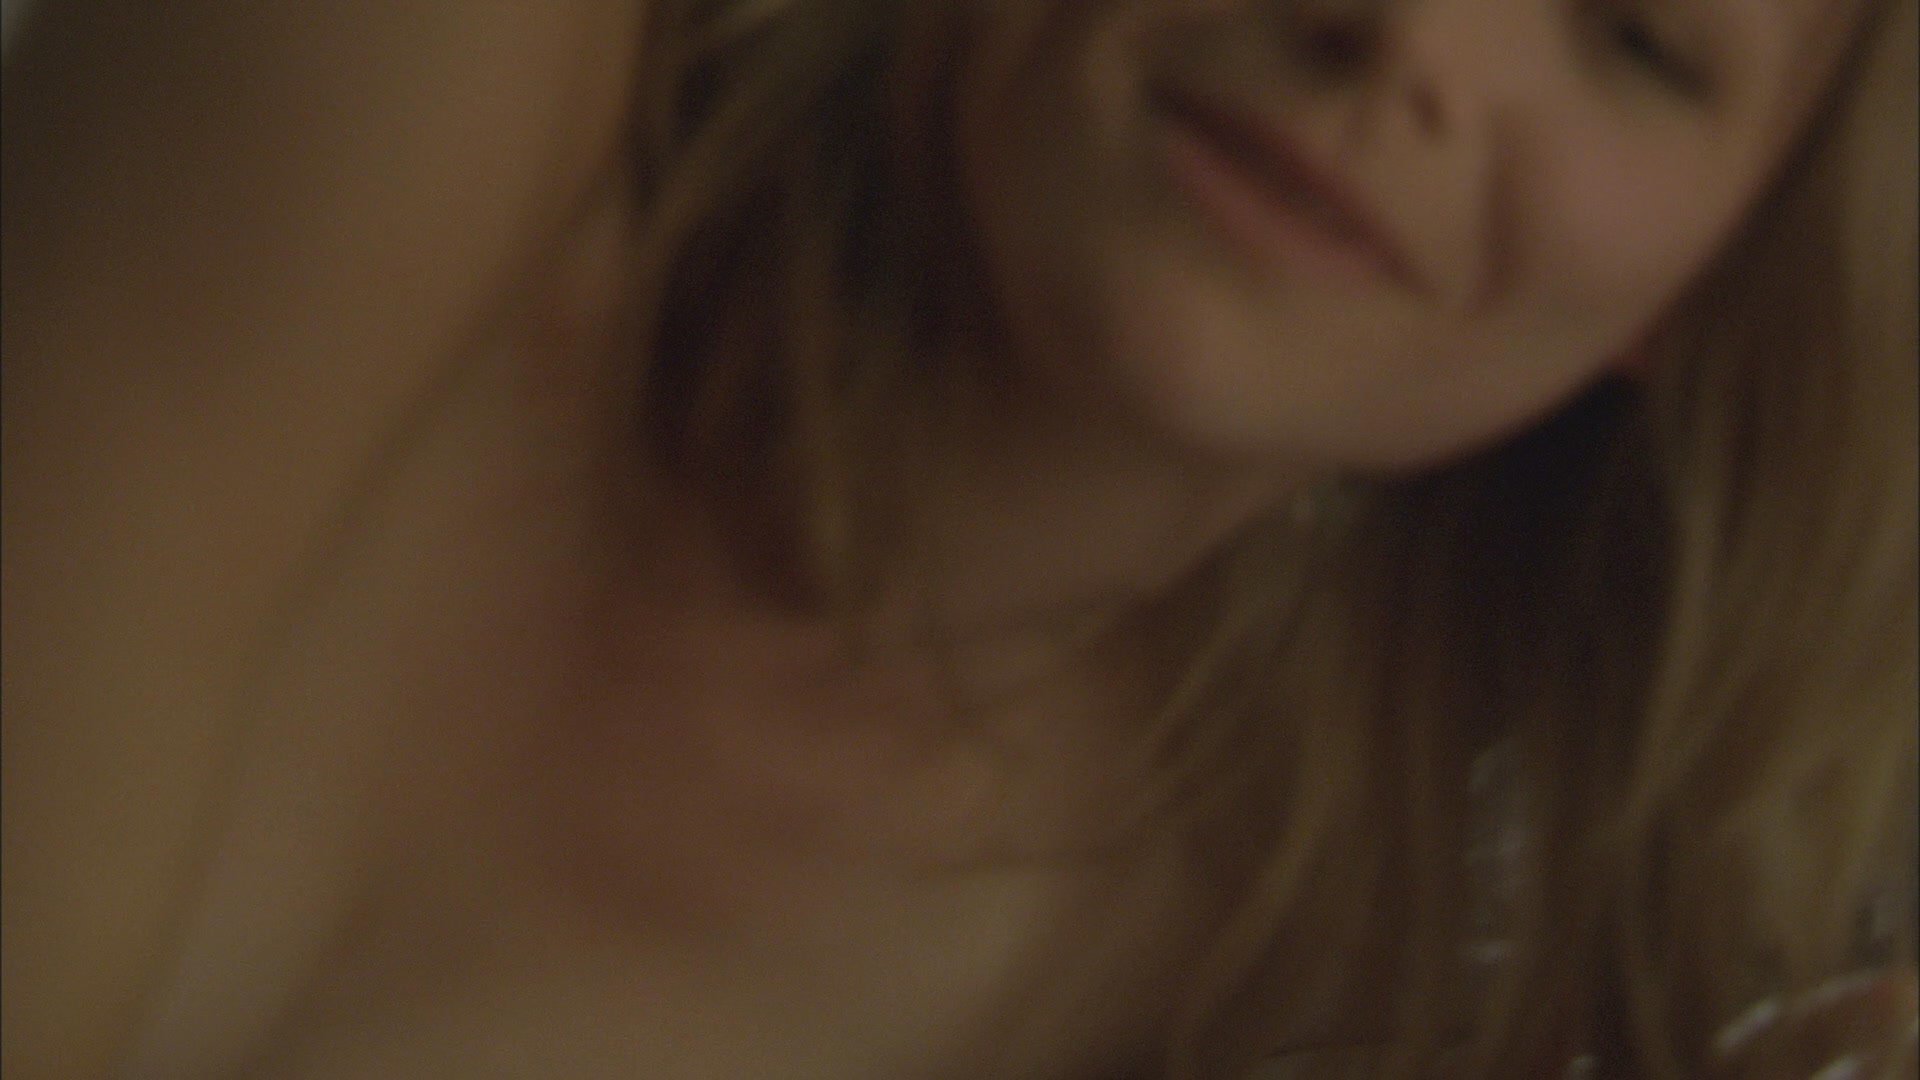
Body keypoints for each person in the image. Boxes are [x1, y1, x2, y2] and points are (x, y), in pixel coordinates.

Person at [3, 0, 1914, 1077]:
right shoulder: (429, 64)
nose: (1411, 36)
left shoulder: (1300, 989)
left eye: (1638, 34)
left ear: (1701, 289)